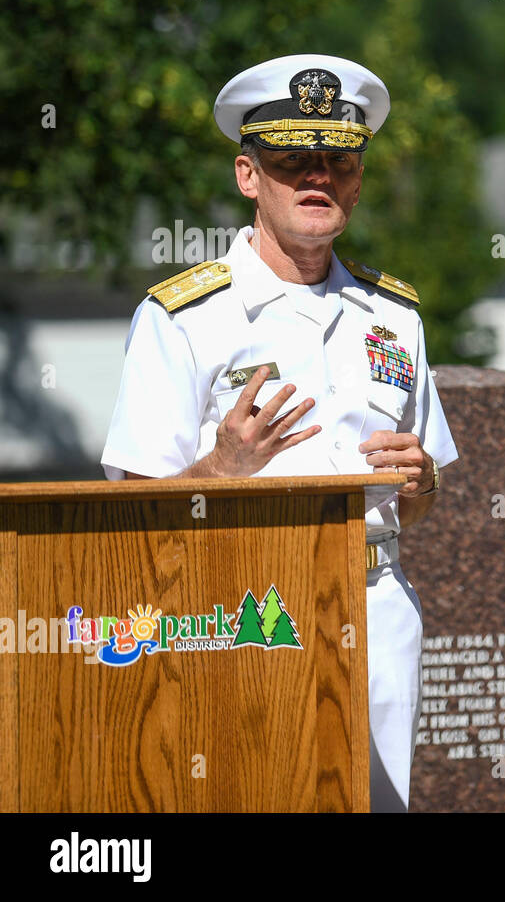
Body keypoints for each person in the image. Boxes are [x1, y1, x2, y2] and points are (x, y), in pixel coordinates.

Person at [100, 54, 456, 812]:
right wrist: (221, 468)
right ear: (248, 175)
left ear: (358, 180)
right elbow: (129, 517)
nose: (317, 178)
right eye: (293, 159)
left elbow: (418, 498)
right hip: (244, 609)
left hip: (377, 600)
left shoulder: (395, 315)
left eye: (339, 161)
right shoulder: (182, 319)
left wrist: (423, 481)